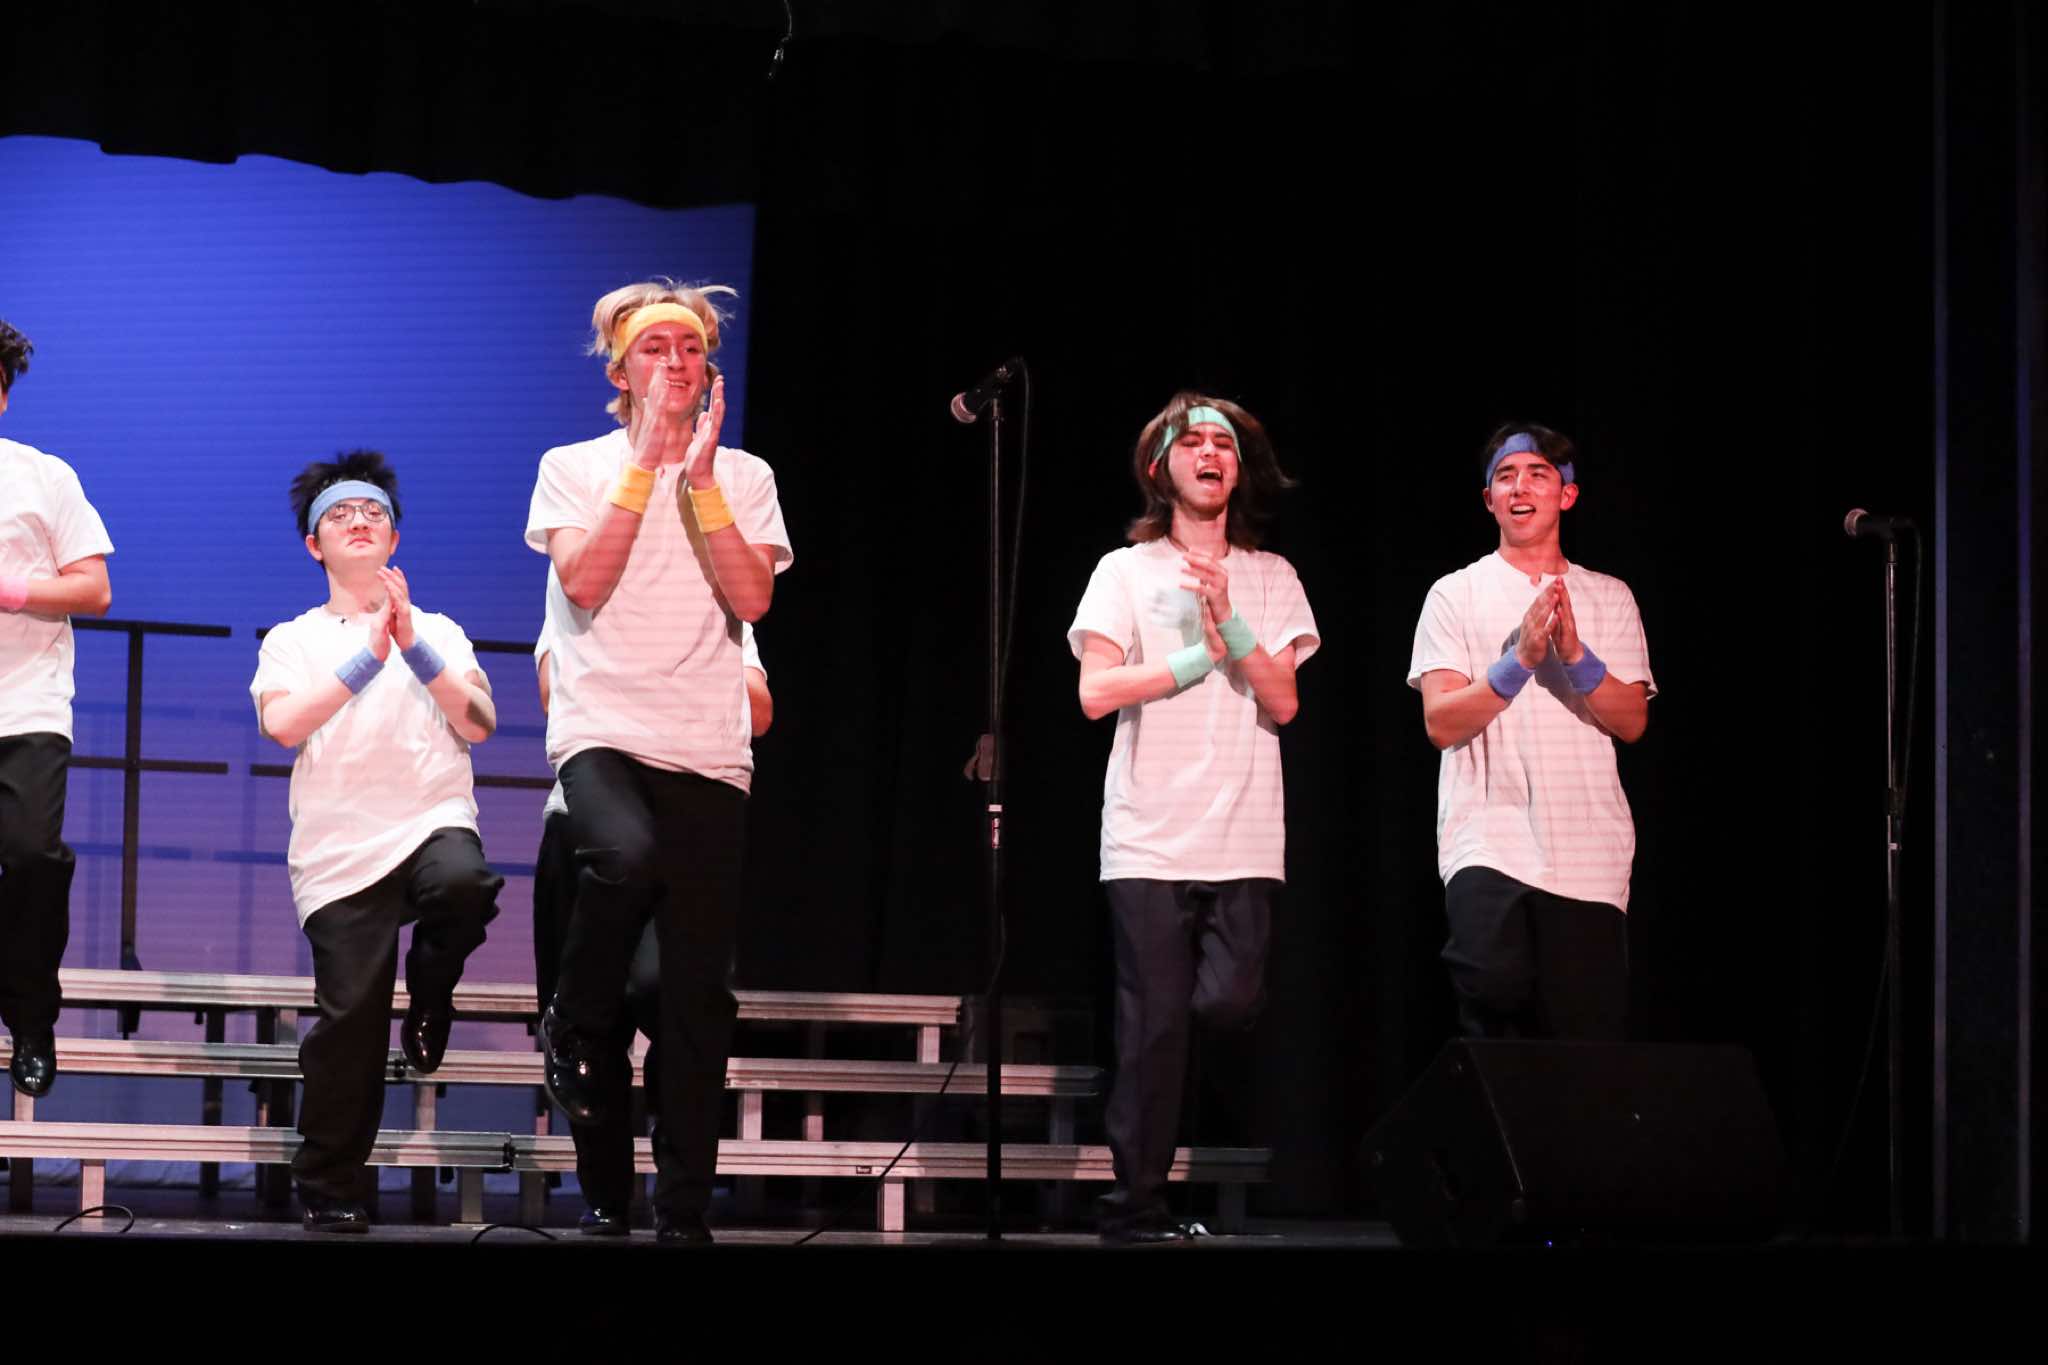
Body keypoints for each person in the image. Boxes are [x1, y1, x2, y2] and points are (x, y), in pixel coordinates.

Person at [527, 280, 792, 1245]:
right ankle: (571, 1019)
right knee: (624, 854)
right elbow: (585, 580)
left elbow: (753, 600)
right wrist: (645, 461)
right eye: (654, 347)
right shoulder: (573, 465)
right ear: (620, 369)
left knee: (691, 1000)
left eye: (690, 347)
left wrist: (703, 479)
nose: (675, 362)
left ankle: (682, 1208)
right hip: (604, 728)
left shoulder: (746, 476)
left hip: (707, 751)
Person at [1067, 392, 1318, 1244]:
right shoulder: (1124, 570)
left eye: (1225, 444)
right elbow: (1095, 692)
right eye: (1193, 442)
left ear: (1238, 470)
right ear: (1160, 466)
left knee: (1230, 999)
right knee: (1153, 1025)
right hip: (1147, 831)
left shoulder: (1272, 575)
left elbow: (1284, 700)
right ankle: (1134, 1204)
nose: (1210, 454)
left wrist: (1230, 623)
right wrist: (1190, 660)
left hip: (1242, 832)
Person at [252, 450, 502, 1231]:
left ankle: (430, 990)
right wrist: (371, 655)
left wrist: (413, 644)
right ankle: (331, 1184)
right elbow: (282, 723)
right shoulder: (293, 638)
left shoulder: (442, 630)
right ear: (313, 544)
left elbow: (480, 722)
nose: (359, 521)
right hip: (340, 850)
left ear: (394, 539)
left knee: (463, 883)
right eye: (340, 514)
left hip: (430, 819)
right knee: (350, 1022)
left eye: (374, 513)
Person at [1406, 423, 1655, 1042]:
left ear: (1566, 495)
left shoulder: (1609, 596)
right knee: (1494, 1002)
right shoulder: (1454, 593)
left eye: (1538, 475)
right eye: (1505, 477)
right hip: (1489, 839)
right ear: (1488, 499)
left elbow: (1631, 720)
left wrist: (1573, 655)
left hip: (1589, 854)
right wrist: (1518, 661)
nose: (1520, 487)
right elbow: (1440, 721)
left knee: (1582, 1048)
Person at [530, 625, 771, 1235]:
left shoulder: (715, 610)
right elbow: (555, 691)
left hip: (689, 824)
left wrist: (679, 681)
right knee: (595, 1019)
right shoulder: (592, 595)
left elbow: (759, 710)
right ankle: (605, 1198)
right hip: (588, 827)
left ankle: (681, 1201)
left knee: (679, 1001)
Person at [0, 318, 113, 1099]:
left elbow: (94, 587)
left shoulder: (44, 476)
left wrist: (10, 589)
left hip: (27, 702)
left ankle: (32, 1015)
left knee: (34, 856)